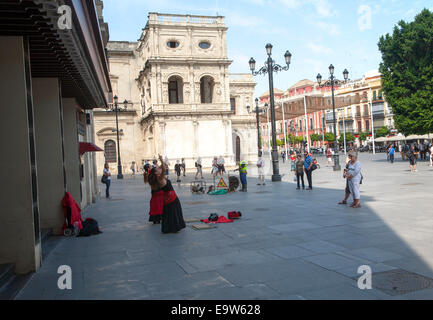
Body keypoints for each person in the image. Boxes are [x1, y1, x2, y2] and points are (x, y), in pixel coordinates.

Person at [144, 155, 186, 233]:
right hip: (171, 198)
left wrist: (161, 161)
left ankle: (170, 227)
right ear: (157, 173)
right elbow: (164, 168)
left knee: (170, 213)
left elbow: (162, 167)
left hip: (168, 198)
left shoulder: (158, 178)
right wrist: (161, 160)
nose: (159, 169)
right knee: (173, 213)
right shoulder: (160, 178)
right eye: (158, 169)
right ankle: (174, 227)